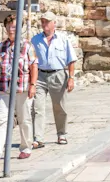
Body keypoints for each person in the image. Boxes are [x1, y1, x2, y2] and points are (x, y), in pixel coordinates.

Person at [0, 15, 38, 164]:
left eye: (14, 26)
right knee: (1, 119)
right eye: (8, 26)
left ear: (19, 29)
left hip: (22, 87)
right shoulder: (1, 46)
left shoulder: (27, 46)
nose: (10, 29)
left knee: (24, 119)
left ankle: (26, 147)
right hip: (3, 88)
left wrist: (33, 85)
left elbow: (34, 65)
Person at [30, 12, 76, 146]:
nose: (44, 24)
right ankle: (38, 138)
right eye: (43, 21)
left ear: (54, 23)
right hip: (40, 76)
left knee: (59, 107)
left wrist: (71, 78)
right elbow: (31, 60)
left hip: (58, 75)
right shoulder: (35, 40)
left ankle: (61, 134)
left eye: (47, 21)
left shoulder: (63, 39)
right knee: (37, 107)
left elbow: (71, 60)